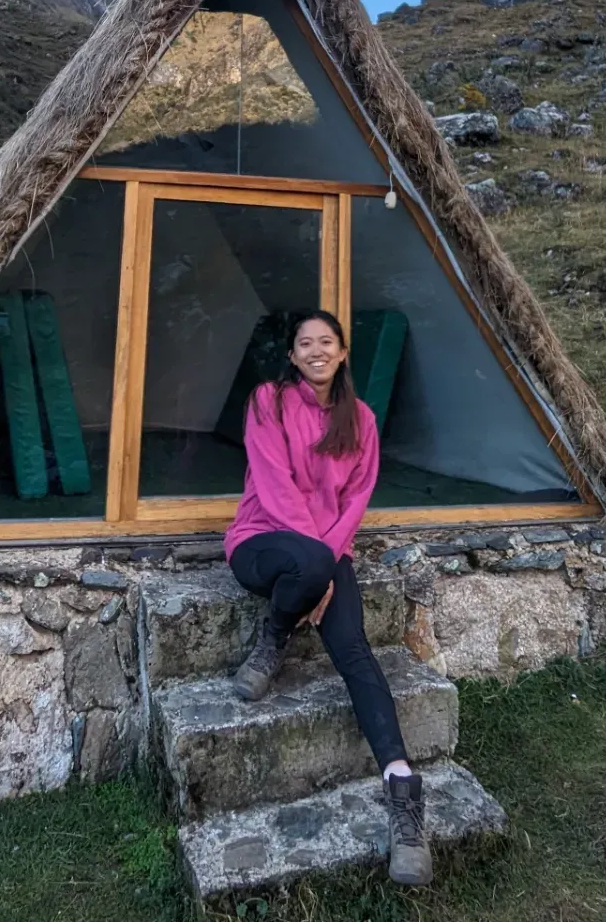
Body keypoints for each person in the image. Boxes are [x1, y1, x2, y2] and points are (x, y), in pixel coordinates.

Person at [224, 308, 434, 888]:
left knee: (355, 651)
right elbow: (273, 486)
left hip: (327, 553)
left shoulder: (360, 418)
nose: (316, 350)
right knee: (313, 562)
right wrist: (320, 567)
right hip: (262, 541)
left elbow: (357, 499)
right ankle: (274, 637)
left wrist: (327, 568)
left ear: (342, 353)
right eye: (304, 343)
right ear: (291, 356)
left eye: (327, 343)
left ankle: (402, 791)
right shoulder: (267, 400)